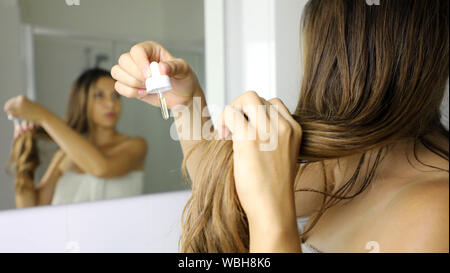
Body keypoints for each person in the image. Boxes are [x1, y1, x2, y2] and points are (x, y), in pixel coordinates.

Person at [110, 0, 449, 253]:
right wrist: (186, 102)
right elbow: (216, 183)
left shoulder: (437, 212)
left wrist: (270, 216)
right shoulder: (339, 167)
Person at [4, 68, 147, 208]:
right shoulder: (66, 154)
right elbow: (30, 210)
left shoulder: (135, 146)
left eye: (115, 96)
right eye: (99, 95)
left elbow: (102, 169)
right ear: (81, 101)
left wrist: (42, 116)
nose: (111, 104)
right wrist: (23, 147)